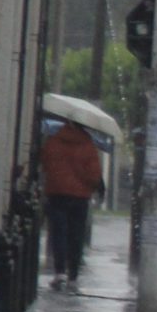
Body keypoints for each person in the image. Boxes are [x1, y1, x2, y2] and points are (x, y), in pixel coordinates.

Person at [38, 117, 102, 292]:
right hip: (80, 197)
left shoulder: (54, 141)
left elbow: (45, 163)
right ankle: (73, 275)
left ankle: (59, 272)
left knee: (58, 232)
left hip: (56, 193)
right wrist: (89, 183)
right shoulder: (88, 145)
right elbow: (94, 174)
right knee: (76, 235)